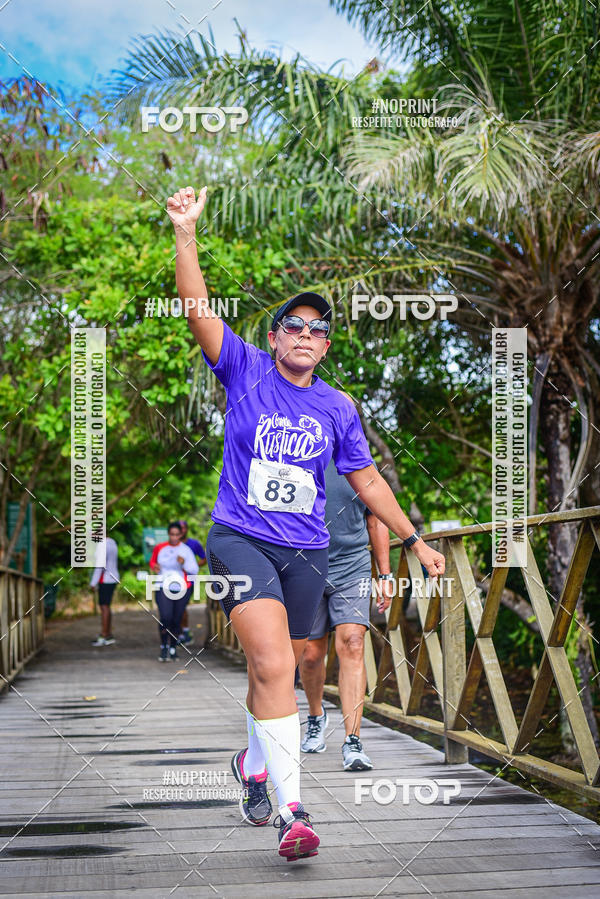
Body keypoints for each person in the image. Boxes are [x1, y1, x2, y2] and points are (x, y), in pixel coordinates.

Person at [166, 184, 445, 862]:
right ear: (274, 335)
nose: (307, 334)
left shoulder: (338, 407)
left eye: (319, 328)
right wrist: (185, 232)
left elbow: (369, 480)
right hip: (240, 536)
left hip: (307, 550)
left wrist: (413, 539)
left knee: (280, 673)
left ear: (325, 346)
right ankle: (294, 810)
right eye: (295, 324)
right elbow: (197, 308)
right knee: (272, 660)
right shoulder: (245, 368)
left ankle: (253, 767)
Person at [299, 457, 394, 769]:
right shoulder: (298, 455)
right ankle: (316, 715)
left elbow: (377, 519)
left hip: (351, 566)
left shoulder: (360, 464)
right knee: (312, 654)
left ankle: (352, 741)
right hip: (305, 564)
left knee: (353, 643)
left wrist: (385, 574)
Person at [148, 521, 199, 662]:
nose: (174, 537)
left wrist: (184, 563)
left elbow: (194, 570)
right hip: (163, 584)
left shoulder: (186, 550)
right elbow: (152, 562)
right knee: (165, 617)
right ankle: (164, 646)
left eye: (177, 534)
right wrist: (155, 567)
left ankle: (173, 648)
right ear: (168, 534)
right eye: (172, 534)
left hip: (182, 586)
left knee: (177, 619)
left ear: (181, 534)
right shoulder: (160, 548)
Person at [176, 519, 207, 645]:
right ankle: (180, 633)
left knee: (181, 606)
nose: (181, 530)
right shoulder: (171, 545)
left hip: (188, 580)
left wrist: (191, 565)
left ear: (187, 529)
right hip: (173, 580)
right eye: (179, 528)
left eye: (183, 527)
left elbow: (204, 559)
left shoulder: (194, 544)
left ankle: (185, 632)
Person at [90, 536, 119, 647]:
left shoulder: (102, 545)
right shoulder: (112, 542)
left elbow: (100, 565)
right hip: (113, 577)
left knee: (104, 607)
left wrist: (93, 583)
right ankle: (108, 634)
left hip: (105, 578)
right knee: (107, 606)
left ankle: (104, 635)